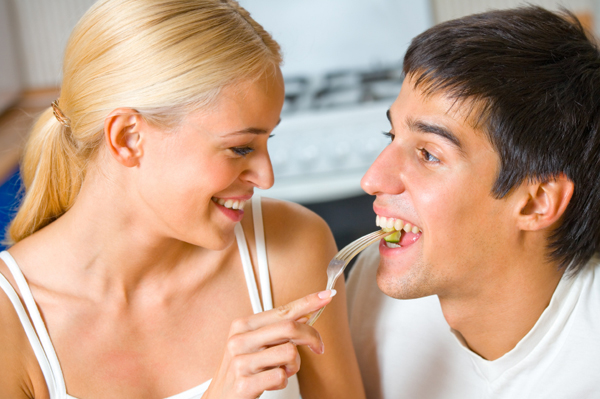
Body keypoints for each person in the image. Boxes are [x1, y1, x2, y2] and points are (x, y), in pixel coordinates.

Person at [0, 1, 365, 398]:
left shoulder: (289, 247)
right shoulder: (11, 321)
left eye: (267, 142)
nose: (266, 177)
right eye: (241, 148)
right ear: (128, 138)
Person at [347, 6, 600, 399]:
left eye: (428, 154)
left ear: (535, 203)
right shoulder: (370, 285)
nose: (372, 179)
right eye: (390, 134)